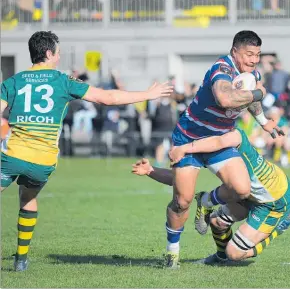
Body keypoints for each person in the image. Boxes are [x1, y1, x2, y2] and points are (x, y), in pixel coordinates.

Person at [0, 30, 173, 272]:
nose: (59, 58)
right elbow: (108, 98)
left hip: (12, 156)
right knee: (28, 198)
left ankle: (20, 260)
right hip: (44, 162)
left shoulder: (14, 81)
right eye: (58, 53)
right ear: (49, 53)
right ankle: (21, 259)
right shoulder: (63, 81)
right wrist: (148, 94)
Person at [164, 30, 284, 268]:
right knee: (181, 201)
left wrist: (264, 122)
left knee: (241, 189)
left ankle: (207, 201)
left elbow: (250, 100)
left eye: (257, 54)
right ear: (234, 50)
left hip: (219, 139)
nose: (253, 60)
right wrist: (261, 91)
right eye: (249, 54)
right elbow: (226, 99)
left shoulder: (251, 72)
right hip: (190, 137)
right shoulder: (222, 69)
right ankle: (172, 253)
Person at [132, 127, 290, 264]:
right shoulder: (200, 145)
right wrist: (150, 171)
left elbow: (219, 142)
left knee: (235, 253)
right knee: (217, 222)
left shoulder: (232, 135)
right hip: (246, 193)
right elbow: (179, 181)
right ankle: (221, 257)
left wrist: (185, 148)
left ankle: (277, 229)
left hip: (273, 200)